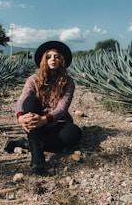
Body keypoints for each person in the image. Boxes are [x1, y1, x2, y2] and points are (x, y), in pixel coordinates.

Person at [5, 40, 82, 172]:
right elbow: (21, 101)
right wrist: (20, 118)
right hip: (35, 123)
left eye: (57, 57)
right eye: (48, 57)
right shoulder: (33, 80)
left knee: (75, 133)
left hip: (55, 123)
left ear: (62, 60)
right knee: (30, 101)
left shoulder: (68, 82)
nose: (53, 59)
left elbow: (62, 109)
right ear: (43, 60)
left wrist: (45, 119)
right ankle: (37, 157)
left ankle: (26, 143)